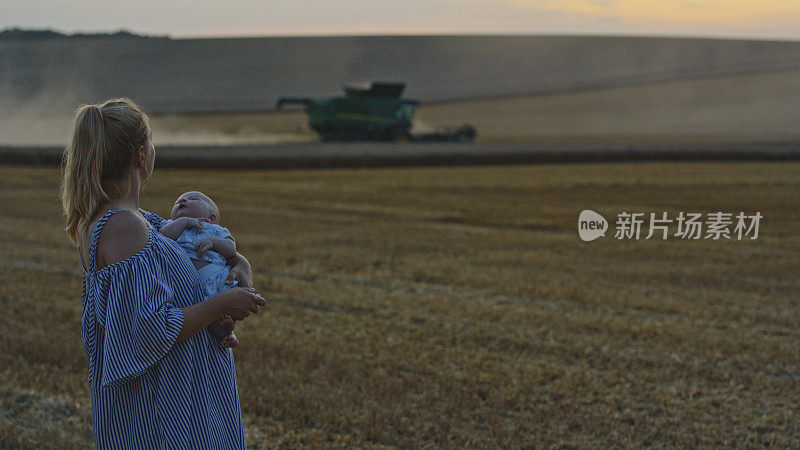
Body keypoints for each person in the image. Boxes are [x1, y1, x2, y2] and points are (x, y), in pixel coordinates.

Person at [60, 98, 265, 449]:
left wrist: (240, 264)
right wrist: (222, 304)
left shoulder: (143, 222)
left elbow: (197, 248)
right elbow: (147, 331)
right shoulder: (124, 227)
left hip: (182, 399)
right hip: (164, 414)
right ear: (141, 155)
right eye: (151, 142)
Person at [160, 191, 241, 348]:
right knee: (204, 312)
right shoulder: (171, 225)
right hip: (186, 286)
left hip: (215, 277)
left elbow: (231, 249)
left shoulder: (215, 230)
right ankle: (224, 330)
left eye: (193, 199)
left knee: (225, 304)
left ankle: (227, 331)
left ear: (211, 218)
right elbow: (162, 239)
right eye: (178, 202)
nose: (182, 200)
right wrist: (183, 221)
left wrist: (213, 242)